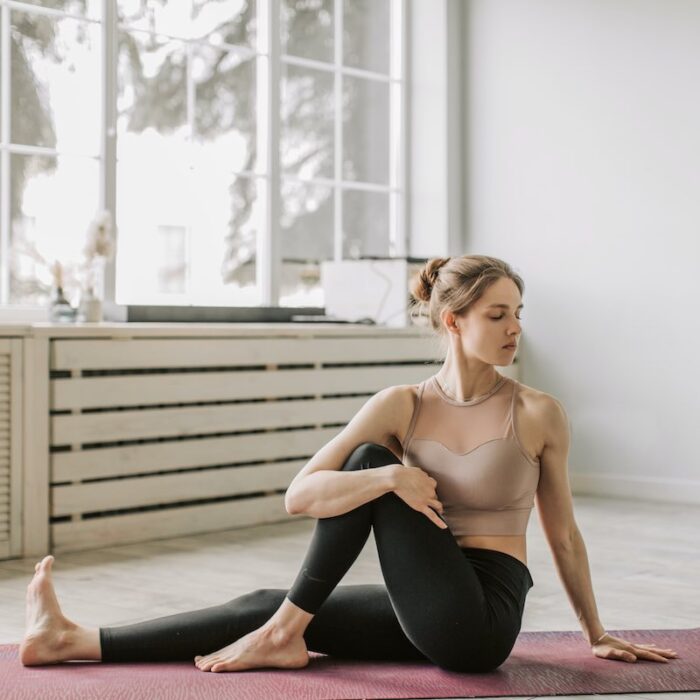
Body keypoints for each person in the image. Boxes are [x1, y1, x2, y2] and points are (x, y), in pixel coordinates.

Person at [20, 255, 678, 672]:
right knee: (268, 593)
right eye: (497, 314)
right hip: (426, 596)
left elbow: (562, 533)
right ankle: (73, 640)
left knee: (364, 465)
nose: (515, 329)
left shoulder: (537, 412)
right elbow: (299, 496)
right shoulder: (401, 405)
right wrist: (389, 474)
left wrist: (597, 632)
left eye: (518, 314)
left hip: (483, 615)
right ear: (451, 321)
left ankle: (284, 631)